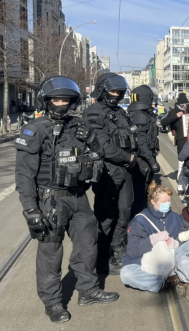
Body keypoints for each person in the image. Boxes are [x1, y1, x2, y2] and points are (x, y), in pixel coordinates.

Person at [15, 76, 118, 323]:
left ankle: (88, 290)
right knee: (51, 253)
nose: (62, 103)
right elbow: (24, 174)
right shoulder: (35, 130)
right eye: (56, 99)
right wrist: (31, 210)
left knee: (87, 244)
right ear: (47, 101)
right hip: (51, 200)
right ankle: (52, 303)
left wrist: (92, 140)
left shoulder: (79, 126)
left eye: (66, 99)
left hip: (78, 197)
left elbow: (98, 156)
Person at [120, 182, 189, 305]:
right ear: (153, 202)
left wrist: (175, 243)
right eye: (164, 202)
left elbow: (182, 236)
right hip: (147, 261)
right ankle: (162, 283)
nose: (168, 205)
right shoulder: (140, 221)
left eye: (169, 201)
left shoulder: (175, 217)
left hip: (171, 257)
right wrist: (153, 239)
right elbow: (133, 250)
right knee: (126, 275)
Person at [84, 73, 137, 275]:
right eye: (113, 91)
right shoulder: (94, 113)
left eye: (120, 92)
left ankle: (118, 251)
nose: (117, 95)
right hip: (108, 171)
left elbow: (132, 137)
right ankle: (101, 258)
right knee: (106, 217)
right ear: (102, 91)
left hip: (125, 171)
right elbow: (102, 147)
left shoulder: (121, 113)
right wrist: (129, 158)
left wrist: (135, 157)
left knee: (124, 213)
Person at [129, 85, 161, 216]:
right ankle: (139, 217)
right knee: (140, 191)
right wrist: (151, 160)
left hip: (144, 159)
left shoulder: (140, 114)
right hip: (142, 160)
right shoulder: (141, 116)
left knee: (142, 189)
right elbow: (141, 142)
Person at [161, 93, 189, 192]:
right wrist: (176, 116)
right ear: (179, 104)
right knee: (182, 161)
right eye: (182, 104)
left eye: (186, 104)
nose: (184, 106)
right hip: (181, 140)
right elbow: (163, 122)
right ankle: (181, 182)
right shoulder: (173, 111)